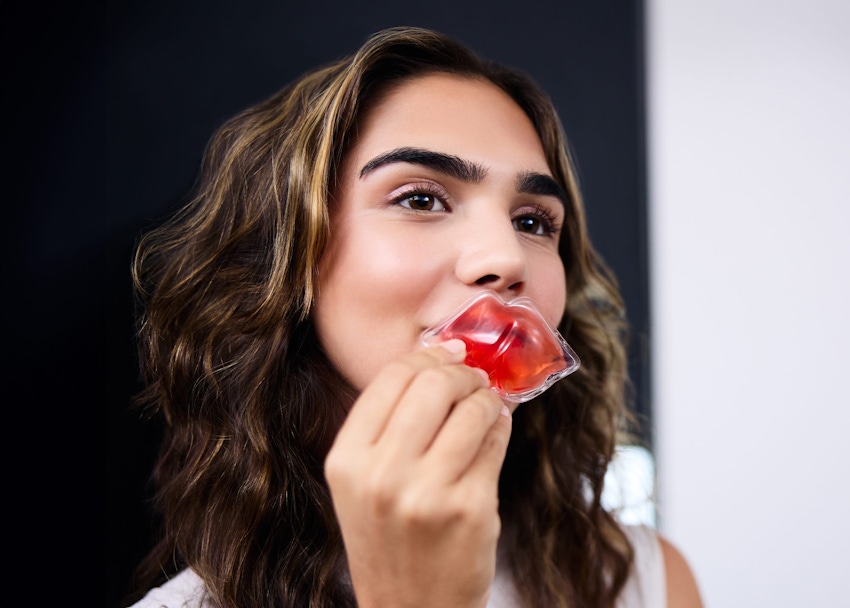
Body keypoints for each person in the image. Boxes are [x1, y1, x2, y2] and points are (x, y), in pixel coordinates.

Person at [126, 26, 703, 608]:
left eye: (532, 221)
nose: (504, 257)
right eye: (420, 199)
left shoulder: (643, 581)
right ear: (290, 256)